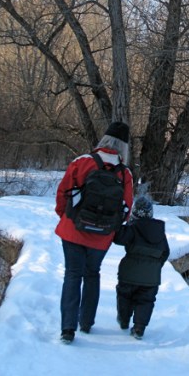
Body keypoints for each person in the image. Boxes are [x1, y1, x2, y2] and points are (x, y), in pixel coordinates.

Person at [55, 121, 133, 344]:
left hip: (73, 231)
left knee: (72, 274)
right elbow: (126, 208)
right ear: (124, 147)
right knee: (92, 274)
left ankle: (67, 329)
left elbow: (63, 194)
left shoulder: (82, 162)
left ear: (104, 139)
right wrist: (109, 229)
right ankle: (86, 323)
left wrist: (65, 217)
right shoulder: (124, 173)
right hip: (102, 236)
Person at [113, 195, 170, 340]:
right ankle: (139, 327)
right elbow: (165, 252)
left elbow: (118, 238)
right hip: (151, 277)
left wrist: (119, 220)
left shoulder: (133, 227)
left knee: (124, 296)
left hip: (129, 273)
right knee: (146, 301)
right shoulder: (159, 232)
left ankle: (124, 319)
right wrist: (155, 267)